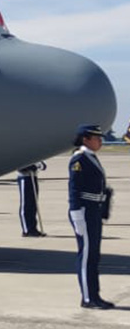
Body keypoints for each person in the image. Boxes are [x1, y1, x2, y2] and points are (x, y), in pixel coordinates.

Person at [68, 124, 115, 309]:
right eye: (96, 138)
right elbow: (74, 189)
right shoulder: (79, 159)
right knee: (87, 255)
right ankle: (88, 298)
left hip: (93, 210)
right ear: (85, 139)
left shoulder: (90, 157)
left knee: (94, 255)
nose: (100, 141)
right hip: (84, 211)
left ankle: (95, 295)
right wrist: (76, 214)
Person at [16, 162, 46, 237]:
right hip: (24, 177)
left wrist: (37, 165)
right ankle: (27, 230)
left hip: (33, 176)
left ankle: (33, 228)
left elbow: (42, 166)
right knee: (25, 204)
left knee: (33, 204)